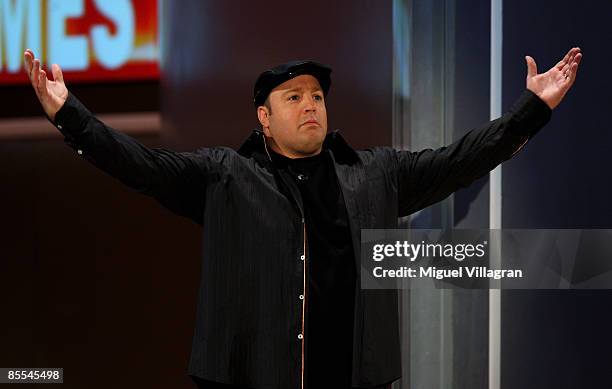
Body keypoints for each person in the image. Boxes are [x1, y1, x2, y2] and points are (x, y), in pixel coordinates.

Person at [23, 48, 582, 389]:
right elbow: (139, 166)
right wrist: (69, 114)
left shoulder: (375, 173)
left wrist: (532, 108)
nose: (311, 103)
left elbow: (462, 160)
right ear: (264, 118)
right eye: (293, 97)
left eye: (316, 95)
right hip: (247, 378)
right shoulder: (225, 176)